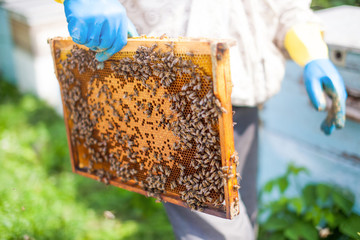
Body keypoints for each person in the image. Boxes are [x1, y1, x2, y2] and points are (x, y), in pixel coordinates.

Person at [55, 0, 347, 239]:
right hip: (167, 102)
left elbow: (287, 9)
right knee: (217, 230)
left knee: (241, 208)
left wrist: (313, 54)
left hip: (242, 98)